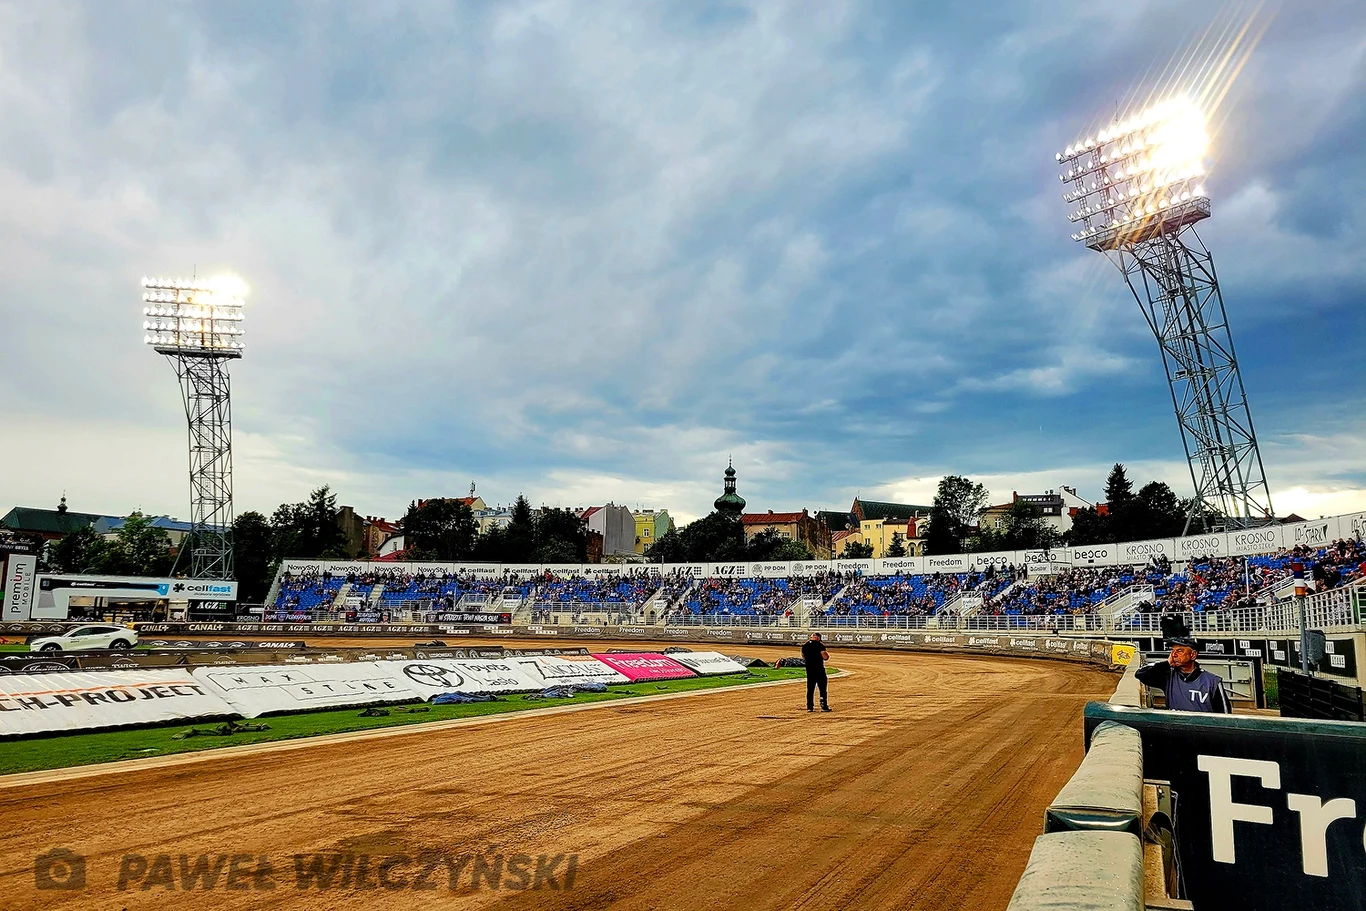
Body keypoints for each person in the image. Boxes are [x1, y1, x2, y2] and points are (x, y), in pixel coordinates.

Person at [1135, 636, 1231, 713]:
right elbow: (1140, 674)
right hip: (1176, 728)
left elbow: (1225, 715)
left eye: (1180, 651)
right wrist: (1167, 664)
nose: (1174, 655)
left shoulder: (1212, 681)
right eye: (1173, 651)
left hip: (1203, 729)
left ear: (1193, 655)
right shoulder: (1168, 677)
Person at [801, 632, 831, 713]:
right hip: (819, 669)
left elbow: (803, 656)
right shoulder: (820, 645)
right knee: (822, 688)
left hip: (809, 670)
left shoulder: (805, 645)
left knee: (810, 689)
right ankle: (823, 706)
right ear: (818, 637)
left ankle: (809, 707)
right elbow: (825, 657)